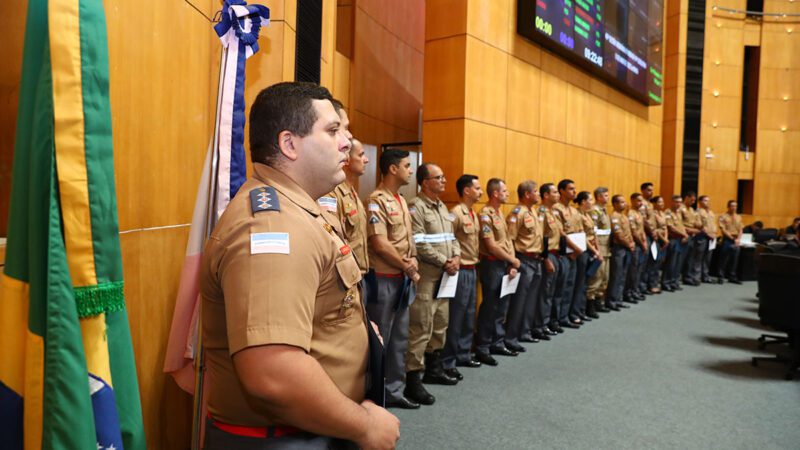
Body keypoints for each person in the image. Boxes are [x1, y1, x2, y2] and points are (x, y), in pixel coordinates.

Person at [200, 81, 399, 449]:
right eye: (333, 130)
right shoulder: (275, 225)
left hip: (309, 429)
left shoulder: (300, 208)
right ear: (290, 144)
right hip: (284, 439)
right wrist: (364, 427)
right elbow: (273, 373)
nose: (348, 143)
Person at [366, 148, 421, 410]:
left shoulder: (400, 199)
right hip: (385, 279)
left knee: (399, 339)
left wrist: (413, 262)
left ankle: (395, 391)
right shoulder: (376, 201)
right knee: (381, 339)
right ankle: (375, 396)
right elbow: (380, 244)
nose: (411, 170)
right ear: (392, 169)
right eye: (407, 166)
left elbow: (406, 242)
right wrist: (406, 266)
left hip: (402, 279)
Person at [404, 163, 460, 406]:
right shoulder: (416, 207)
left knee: (440, 324)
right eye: (439, 177)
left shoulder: (442, 208)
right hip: (427, 278)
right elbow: (418, 242)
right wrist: (445, 260)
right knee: (421, 328)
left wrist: (456, 257)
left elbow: (452, 238)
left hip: (445, 278)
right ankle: (413, 381)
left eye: (444, 176)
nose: (444, 181)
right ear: (425, 182)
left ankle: (434, 370)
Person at [475, 178, 521, 366]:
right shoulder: (485, 214)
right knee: (490, 307)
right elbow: (491, 246)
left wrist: (511, 264)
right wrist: (511, 260)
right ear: (495, 193)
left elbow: (508, 241)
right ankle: (483, 347)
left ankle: (497, 342)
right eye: (504, 190)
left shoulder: (499, 213)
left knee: (502, 306)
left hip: (504, 264)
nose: (508, 193)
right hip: (492, 265)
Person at [441, 174, 483, 374]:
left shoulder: (472, 213)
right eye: (477, 188)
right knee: (456, 317)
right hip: (460, 271)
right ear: (466, 190)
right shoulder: (455, 213)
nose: (480, 191)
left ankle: (463, 354)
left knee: (468, 315)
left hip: (472, 269)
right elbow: (449, 240)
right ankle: (448, 360)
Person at [505, 180, 546, 352]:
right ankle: (511, 337)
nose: (538, 194)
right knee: (519, 301)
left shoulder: (534, 212)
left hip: (536, 260)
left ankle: (524, 332)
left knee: (531, 300)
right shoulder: (517, 213)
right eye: (536, 191)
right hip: (523, 260)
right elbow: (510, 241)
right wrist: (512, 263)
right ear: (527, 194)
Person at [553, 179, 585, 328]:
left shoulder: (574, 211)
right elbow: (560, 232)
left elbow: (579, 231)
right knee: (560, 287)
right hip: (564, 252)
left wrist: (579, 250)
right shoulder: (556, 209)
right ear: (562, 191)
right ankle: (556, 319)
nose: (574, 191)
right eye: (571, 189)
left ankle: (565, 316)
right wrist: (574, 249)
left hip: (575, 252)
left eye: (575, 188)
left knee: (571, 286)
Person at [537, 183, 566, 334]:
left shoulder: (553, 212)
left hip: (557, 254)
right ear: (546, 195)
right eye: (555, 192)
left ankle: (548, 322)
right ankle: (540, 325)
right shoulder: (541, 213)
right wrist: (546, 259)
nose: (558, 195)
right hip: (548, 256)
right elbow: (541, 237)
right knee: (545, 293)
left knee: (554, 291)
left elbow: (560, 233)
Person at [575, 191, 603, 320]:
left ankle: (582, 311)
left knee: (586, 282)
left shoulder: (589, 215)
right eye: (590, 200)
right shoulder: (578, 215)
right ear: (583, 202)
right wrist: (594, 250)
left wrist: (598, 250)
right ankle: (578, 312)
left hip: (592, 251)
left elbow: (594, 234)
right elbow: (583, 237)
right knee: (580, 283)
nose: (592, 202)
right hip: (584, 251)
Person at [586, 187, 612, 314]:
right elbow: (593, 231)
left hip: (606, 247)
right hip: (599, 246)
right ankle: (590, 304)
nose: (608, 198)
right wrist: (596, 249)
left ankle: (598, 301)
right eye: (606, 195)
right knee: (596, 277)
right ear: (599, 197)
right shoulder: (594, 211)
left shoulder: (603, 210)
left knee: (604, 277)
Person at [607, 195, 635, 310]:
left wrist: (632, 243)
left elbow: (629, 232)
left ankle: (619, 299)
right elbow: (618, 235)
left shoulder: (624, 216)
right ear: (615, 204)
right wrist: (629, 244)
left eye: (625, 202)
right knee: (616, 275)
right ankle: (611, 300)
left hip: (627, 248)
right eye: (622, 202)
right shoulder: (614, 217)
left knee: (623, 274)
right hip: (619, 248)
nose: (625, 204)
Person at [663, 195, 689, 292]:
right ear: (672, 202)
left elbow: (681, 226)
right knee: (671, 262)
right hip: (673, 239)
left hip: (681, 240)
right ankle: (666, 282)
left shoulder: (679, 213)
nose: (679, 204)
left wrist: (685, 234)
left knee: (678, 263)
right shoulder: (668, 212)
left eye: (680, 202)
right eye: (677, 202)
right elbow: (671, 227)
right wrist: (684, 235)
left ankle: (674, 281)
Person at [624, 193, 647, 304]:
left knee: (639, 269)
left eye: (641, 201)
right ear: (632, 200)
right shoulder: (631, 214)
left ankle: (635, 290)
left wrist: (645, 242)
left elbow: (642, 230)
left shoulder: (639, 213)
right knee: (632, 271)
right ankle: (629, 293)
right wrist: (642, 244)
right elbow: (633, 231)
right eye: (638, 200)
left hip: (641, 244)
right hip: (636, 244)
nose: (640, 203)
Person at [645, 196, 670, 293]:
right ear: (654, 203)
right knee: (653, 263)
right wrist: (664, 239)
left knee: (659, 263)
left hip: (663, 241)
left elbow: (665, 228)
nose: (662, 204)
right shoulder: (653, 214)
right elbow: (655, 230)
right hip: (656, 241)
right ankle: (651, 284)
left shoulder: (663, 214)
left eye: (663, 202)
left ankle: (655, 283)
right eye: (660, 202)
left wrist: (666, 239)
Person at [716, 200, 743, 284]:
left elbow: (741, 229)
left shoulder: (739, 216)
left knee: (734, 259)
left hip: (736, 240)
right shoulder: (723, 216)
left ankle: (732, 276)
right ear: (728, 207)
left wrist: (738, 239)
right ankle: (720, 276)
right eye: (732, 206)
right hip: (727, 239)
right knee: (724, 258)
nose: (734, 208)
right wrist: (732, 238)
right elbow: (723, 230)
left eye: (735, 206)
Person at [679, 191, 703, 286]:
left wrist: (697, 229)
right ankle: (676, 278)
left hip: (692, 236)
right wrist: (691, 230)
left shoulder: (692, 210)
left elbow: (697, 224)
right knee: (681, 259)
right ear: (687, 198)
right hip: (683, 235)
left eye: (694, 200)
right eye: (691, 200)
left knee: (690, 258)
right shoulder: (680, 208)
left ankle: (687, 277)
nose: (693, 202)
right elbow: (679, 224)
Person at [696, 195, 719, 284]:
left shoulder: (711, 213)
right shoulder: (698, 212)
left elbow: (713, 225)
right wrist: (709, 234)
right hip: (702, 237)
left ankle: (705, 276)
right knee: (698, 257)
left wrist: (714, 233)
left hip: (712, 238)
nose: (707, 202)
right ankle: (696, 277)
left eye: (708, 200)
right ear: (700, 202)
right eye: (705, 200)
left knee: (707, 258)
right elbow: (699, 225)